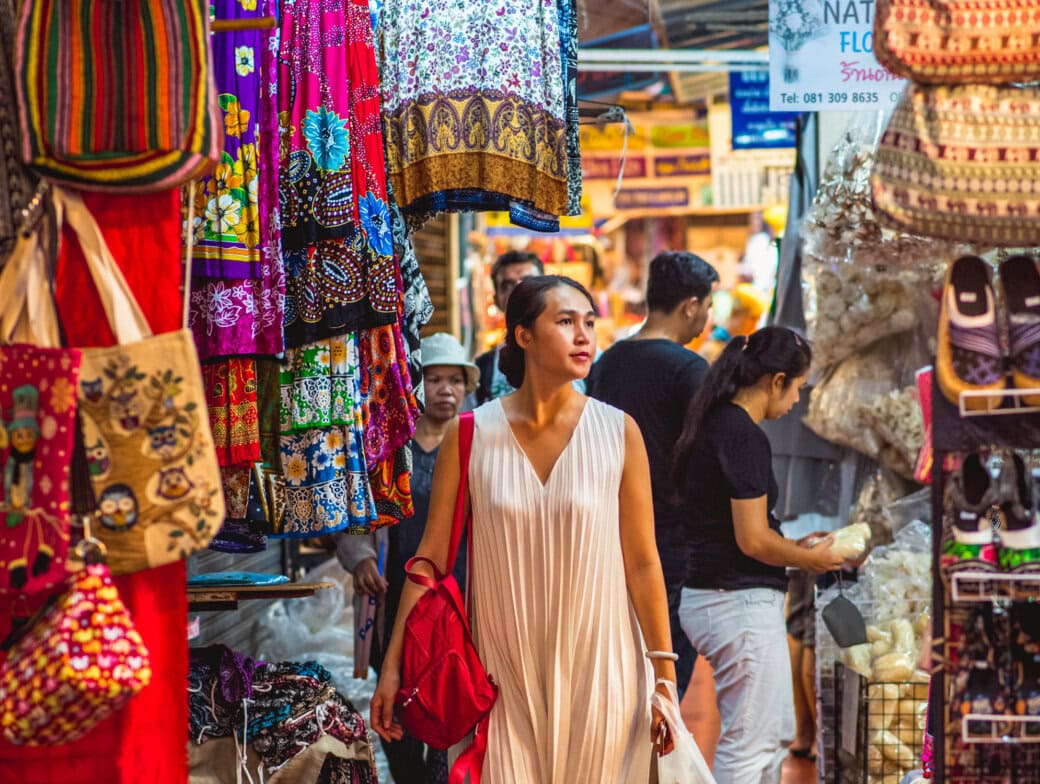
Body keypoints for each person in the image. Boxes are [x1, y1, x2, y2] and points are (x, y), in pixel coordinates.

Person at [371, 275, 677, 783]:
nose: (584, 336)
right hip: (498, 675)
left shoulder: (619, 432)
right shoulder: (470, 435)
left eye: (589, 323)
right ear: (523, 335)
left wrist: (664, 678)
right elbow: (429, 562)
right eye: (565, 321)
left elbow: (643, 564)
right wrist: (392, 668)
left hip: (602, 667)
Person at [673, 327, 845, 784]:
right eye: (798, 389)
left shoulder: (716, 423)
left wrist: (796, 548)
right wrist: (812, 560)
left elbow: (748, 531)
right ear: (776, 380)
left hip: (723, 597)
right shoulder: (740, 433)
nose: (795, 402)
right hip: (734, 601)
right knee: (750, 745)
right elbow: (752, 540)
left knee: (770, 735)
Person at [337, 333, 479, 784]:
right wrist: (360, 560)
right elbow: (357, 518)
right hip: (395, 601)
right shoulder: (389, 451)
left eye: (455, 380)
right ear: (415, 385)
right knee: (396, 705)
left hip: (458, 603)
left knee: (449, 704)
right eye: (434, 379)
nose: (445, 390)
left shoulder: (479, 446)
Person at [586, 250, 719, 701]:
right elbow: (708, 457)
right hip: (672, 544)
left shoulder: (607, 362)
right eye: (707, 305)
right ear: (690, 306)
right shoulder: (689, 369)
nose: (707, 317)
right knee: (666, 668)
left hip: (610, 534)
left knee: (619, 665)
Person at [473, 250, 544, 405]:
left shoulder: (580, 356)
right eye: (507, 285)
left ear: (547, 291)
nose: (519, 290)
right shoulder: (481, 370)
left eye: (529, 282)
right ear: (496, 299)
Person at [699, 282, 768, 364]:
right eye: (753, 318)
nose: (755, 324)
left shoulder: (740, 346)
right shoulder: (713, 349)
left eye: (758, 319)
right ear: (735, 313)